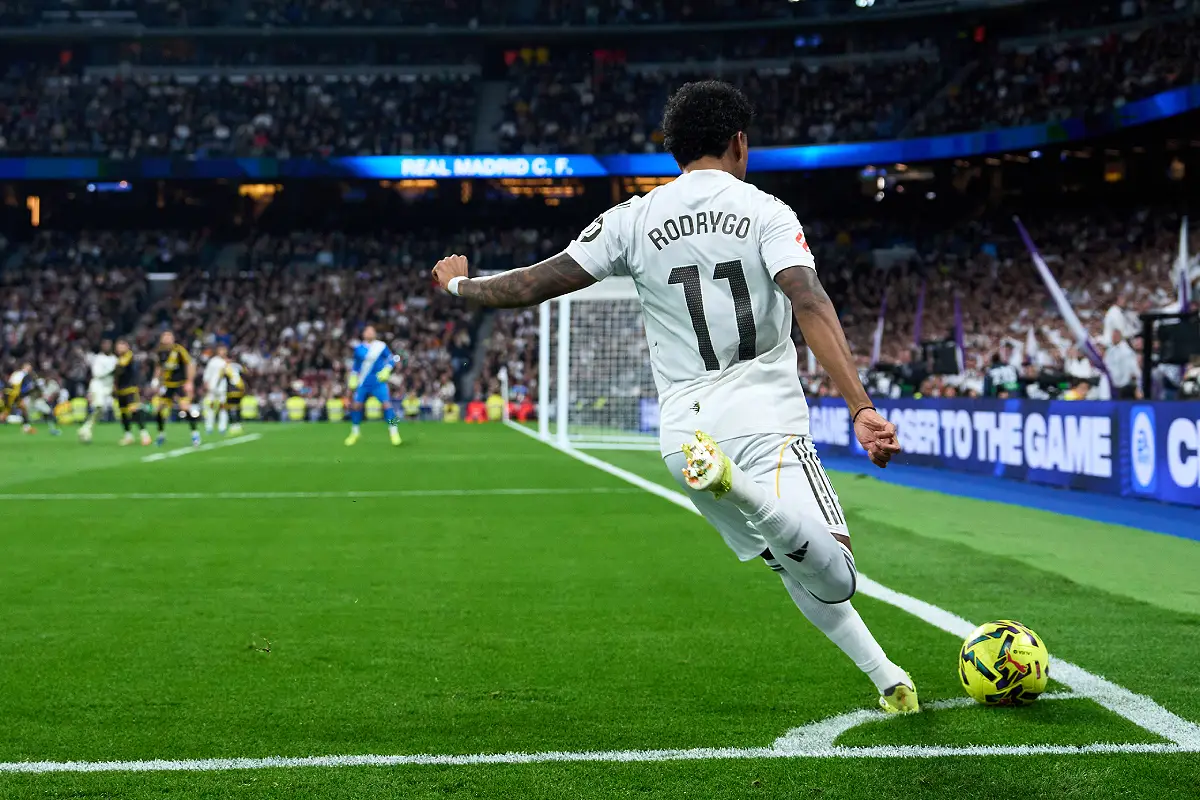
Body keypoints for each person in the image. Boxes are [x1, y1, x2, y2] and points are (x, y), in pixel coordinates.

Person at [431, 80, 914, 713]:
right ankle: (741, 488)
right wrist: (861, 406)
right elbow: (809, 301)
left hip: (684, 436)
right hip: (763, 418)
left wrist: (462, 288)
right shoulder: (766, 211)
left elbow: (535, 283)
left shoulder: (632, 218)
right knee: (838, 574)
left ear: (674, 151)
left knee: (790, 565)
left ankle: (887, 680)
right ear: (740, 142)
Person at [345, 325, 401, 446]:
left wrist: (387, 369)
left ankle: (394, 431)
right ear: (363, 333)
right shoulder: (358, 348)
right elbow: (356, 365)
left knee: (388, 405)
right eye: (367, 331)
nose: (370, 333)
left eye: (372, 331)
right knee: (356, 406)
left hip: (378, 382)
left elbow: (393, 358)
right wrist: (353, 377)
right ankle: (355, 432)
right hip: (363, 382)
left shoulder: (381, 346)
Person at [153, 331, 201, 447]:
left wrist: (189, 382)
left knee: (185, 408)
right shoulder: (160, 351)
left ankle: (195, 434)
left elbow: (190, 364)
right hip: (167, 385)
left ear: (173, 338)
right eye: (165, 336)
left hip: (180, 384)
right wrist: (155, 380)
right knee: (158, 409)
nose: (167, 339)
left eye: (169, 336)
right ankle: (161, 435)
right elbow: (159, 367)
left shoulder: (179, 350)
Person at [113, 338, 152, 446]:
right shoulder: (119, 358)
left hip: (130, 389)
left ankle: (145, 435)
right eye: (118, 345)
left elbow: (121, 368)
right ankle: (128, 436)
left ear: (127, 347)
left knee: (135, 411)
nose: (119, 348)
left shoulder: (129, 356)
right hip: (121, 390)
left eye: (122, 345)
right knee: (124, 414)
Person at [6, 362, 62, 436]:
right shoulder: (22, 376)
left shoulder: (34, 379)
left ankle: (52, 428)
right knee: (24, 411)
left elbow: (38, 391)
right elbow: (21, 389)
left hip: (33, 399)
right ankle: (26, 427)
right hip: (25, 397)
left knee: (46, 411)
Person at [81, 339, 118, 439]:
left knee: (102, 410)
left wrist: (115, 385)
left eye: (109, 344)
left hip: (108, 387)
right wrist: (112, 371)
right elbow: (96, 373)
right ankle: (87, 428)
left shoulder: (114, 359)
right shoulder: (98, 358)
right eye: (105, 344)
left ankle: (87, 427)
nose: (107, 346)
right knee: (99, 406)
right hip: (98, 386)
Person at [218, 345, 247, 436]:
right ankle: (239, 424)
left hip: (230, 390)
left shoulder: (225, 366)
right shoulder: (238, 366)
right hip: (240, 389)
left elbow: (221, 377)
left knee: (229, 407)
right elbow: (245, 374)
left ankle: (232, 425)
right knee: (238, 406)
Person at [1104, 328, 1140, 399]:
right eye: (1113, 336)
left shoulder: (1126, 350)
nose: (1114, 338)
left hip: (1125, 383)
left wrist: (1134, 374)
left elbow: (1132, 365)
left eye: (1116, 336)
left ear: (1120, 337)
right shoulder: (1110, 350)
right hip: (1112, 382)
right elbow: (1107, 364)